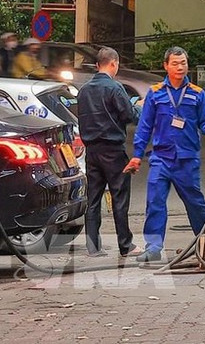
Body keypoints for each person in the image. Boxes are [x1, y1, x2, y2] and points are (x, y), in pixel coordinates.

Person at [124, 46, 205, 263]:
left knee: (195, 203)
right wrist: (137, 155)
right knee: (155, 202)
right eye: (175, 63)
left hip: (187, 159)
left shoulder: (197, 93)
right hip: (161, 158)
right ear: (166, 66)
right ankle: (154, 247)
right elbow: (145, 126)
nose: (180, 67)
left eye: (183, 63)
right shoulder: (156, 93)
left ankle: (204, 243)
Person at [77, 46, 144, 258]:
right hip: (113, 150)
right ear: (114, 63)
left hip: (92, 151)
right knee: (119, 198)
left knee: (93, 198)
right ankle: (125, 245)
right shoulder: (115, 88)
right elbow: (130, 115)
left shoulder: (84, 90)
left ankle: (93, 246)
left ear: (97, 65)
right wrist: (139, 106)